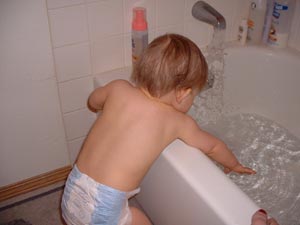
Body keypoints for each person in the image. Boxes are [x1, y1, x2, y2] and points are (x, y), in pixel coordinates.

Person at [61, 33, 256, 225]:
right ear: (183, 93)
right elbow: (212, 147)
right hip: (105, 208)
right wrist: (233, 164)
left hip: (72, 191)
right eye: (193, 96)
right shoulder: (176, 121)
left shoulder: (118, 88)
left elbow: (93, 100)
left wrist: (105, 107)